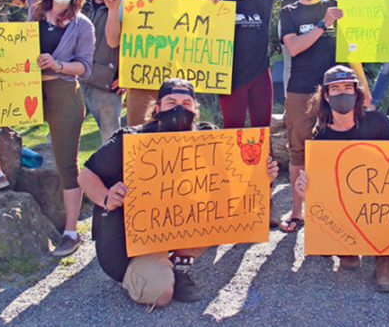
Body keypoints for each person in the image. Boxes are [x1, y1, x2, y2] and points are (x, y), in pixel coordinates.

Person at [78, 78, 280, 308]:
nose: (179, 108)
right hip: (134, 241)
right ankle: (141, 274)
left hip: (177, 224)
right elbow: (85, 176)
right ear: (157, 109)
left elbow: (231, 185)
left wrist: (262, 176)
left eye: (186, 102)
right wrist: (106, 197)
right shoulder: (131, 140)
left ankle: (180, 262)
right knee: (161, 295)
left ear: (196, 109)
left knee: (221, 211)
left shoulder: (208, 139)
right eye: (170, 101)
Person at [13, 0, 96, 256]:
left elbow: (86, 67)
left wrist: (58, 65)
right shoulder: (34, 8)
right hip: (24, 89)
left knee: (66, 161)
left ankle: (71, 230)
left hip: (64, 92)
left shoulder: (83, 24)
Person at [277, 0, 370, 233]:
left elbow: (353, 49)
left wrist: (364, 89)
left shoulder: (337, 7)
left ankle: (338, 210)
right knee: (298, 152)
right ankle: (297, 212)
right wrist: (323, 24)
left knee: (339, 149)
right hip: (301, 90)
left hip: (337, 91)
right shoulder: (289, 11)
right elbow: (294, 47)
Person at [309, 66, 389, 292]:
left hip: (379, 195)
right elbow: (320, 184)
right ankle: (347, 247)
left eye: (348, 88)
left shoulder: (378, 122)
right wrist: (306, 188)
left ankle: (383, 261)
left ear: (357, 93)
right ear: (327, 96)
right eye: (336, 89)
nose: (343, 94)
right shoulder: (321, 139)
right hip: (346, 198)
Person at [103, 0, 198, 126]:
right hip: (140, 80)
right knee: (139, 139)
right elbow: (113, 41)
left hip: (178, 82)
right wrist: (113, 9)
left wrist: (168, 8)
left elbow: (198, 37)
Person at [215, 0, 285, 129]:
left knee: (262, 132)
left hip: (260, 76)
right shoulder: (218, 5)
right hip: (231, 80)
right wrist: (207, 10)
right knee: (232, 131)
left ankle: (264, 161)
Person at [78, 0, 125, 141]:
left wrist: (125, 75)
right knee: (61, 134)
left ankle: (112, 170)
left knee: (111, 137)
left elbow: (131, 44)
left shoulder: (123, 7)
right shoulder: (80, 6)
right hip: (78, 80)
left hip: (106, 84)